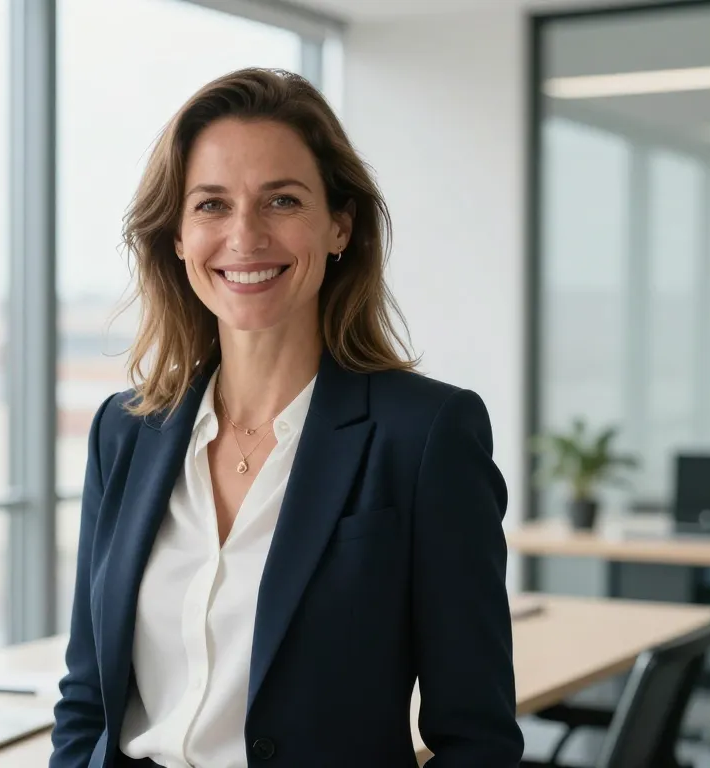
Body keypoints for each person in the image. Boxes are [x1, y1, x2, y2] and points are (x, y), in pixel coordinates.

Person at [49, 67, 523, 768]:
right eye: (211, 205)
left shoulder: (424, 437)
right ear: (176, 238)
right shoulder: (123, 432)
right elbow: (87, 701)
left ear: (339, 226)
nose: (245, 236)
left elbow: (476, 740)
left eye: (281, 200)